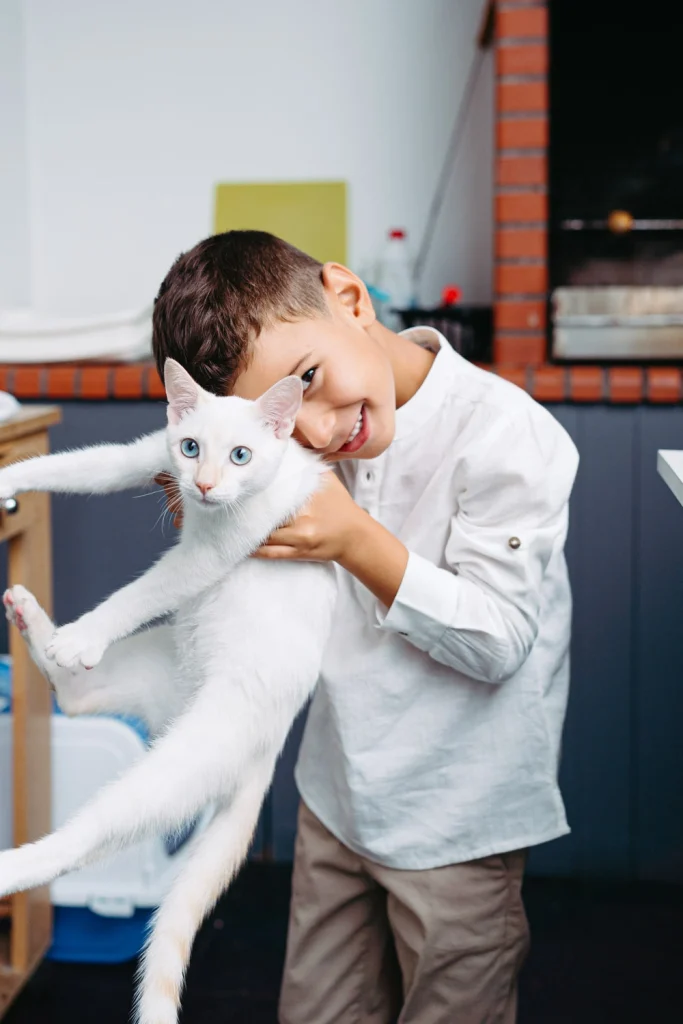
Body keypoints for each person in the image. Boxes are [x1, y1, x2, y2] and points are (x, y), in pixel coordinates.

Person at [152, 230, 579, 1024]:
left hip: (460, 815)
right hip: (336, 796)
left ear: (350, 299)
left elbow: (500, 642)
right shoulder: (290, 437)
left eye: (306, 381)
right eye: (280, 414)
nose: (312, 430)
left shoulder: (507, 436)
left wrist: (357, 540)